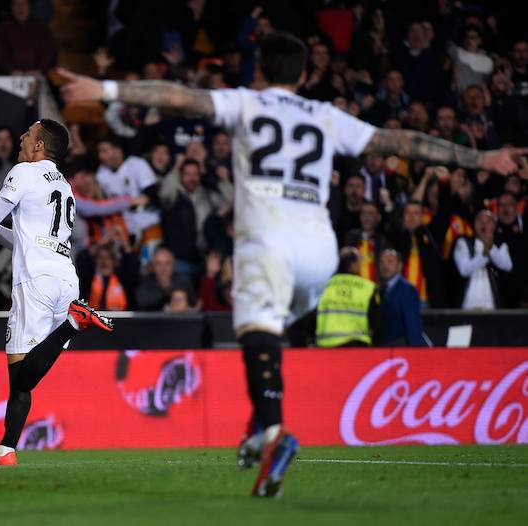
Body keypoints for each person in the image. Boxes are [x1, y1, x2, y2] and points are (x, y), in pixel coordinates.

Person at [60, 31, 526, 497]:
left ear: (259, 70)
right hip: (320, 250)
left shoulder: (246, 103)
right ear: (303, 76)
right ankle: (256, 424)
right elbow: (400, 141)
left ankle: (274, 433)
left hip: (268, 240)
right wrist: (481, 155)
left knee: (255, 332)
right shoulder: (325, 115)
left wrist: (106, 90)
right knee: (272, 332)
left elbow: (180, 97)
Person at [0, 119, 114, 466]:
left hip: (35, 281)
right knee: (26, 379)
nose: (21, 137)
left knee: (20, 375)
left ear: (40, 145)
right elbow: (18, 238)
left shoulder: (23, 172)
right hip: (65, 280)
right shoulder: (65, 184)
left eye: (28, 134)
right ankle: (6, 450)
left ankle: (74, 323)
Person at [315, 248, 380, 348]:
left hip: (326, 346)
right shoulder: (367, 288)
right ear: (353, 264)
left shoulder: (323, 286)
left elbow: (312, 316)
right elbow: (375, 321)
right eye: (359, 262)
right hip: (356, 347)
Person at [453, 210, 513, 310]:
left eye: (488, 221)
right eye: (480, 220)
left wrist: (491, 249)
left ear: (494, 225)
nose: (484, 224)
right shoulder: (463, 242)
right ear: (474, 224)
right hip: (467, 307)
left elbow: (507, 266)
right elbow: (464, 270)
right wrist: (485, 255)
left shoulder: (500, 245)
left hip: (492, 308)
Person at [377, 249, 424, 347]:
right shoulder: (381, 291)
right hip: (383, 352)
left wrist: (416, 354)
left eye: (390, 262)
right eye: (381, 262)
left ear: (399, 266)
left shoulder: (407, 290)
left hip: (400, 350)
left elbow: (413, 326)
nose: (385, 266)